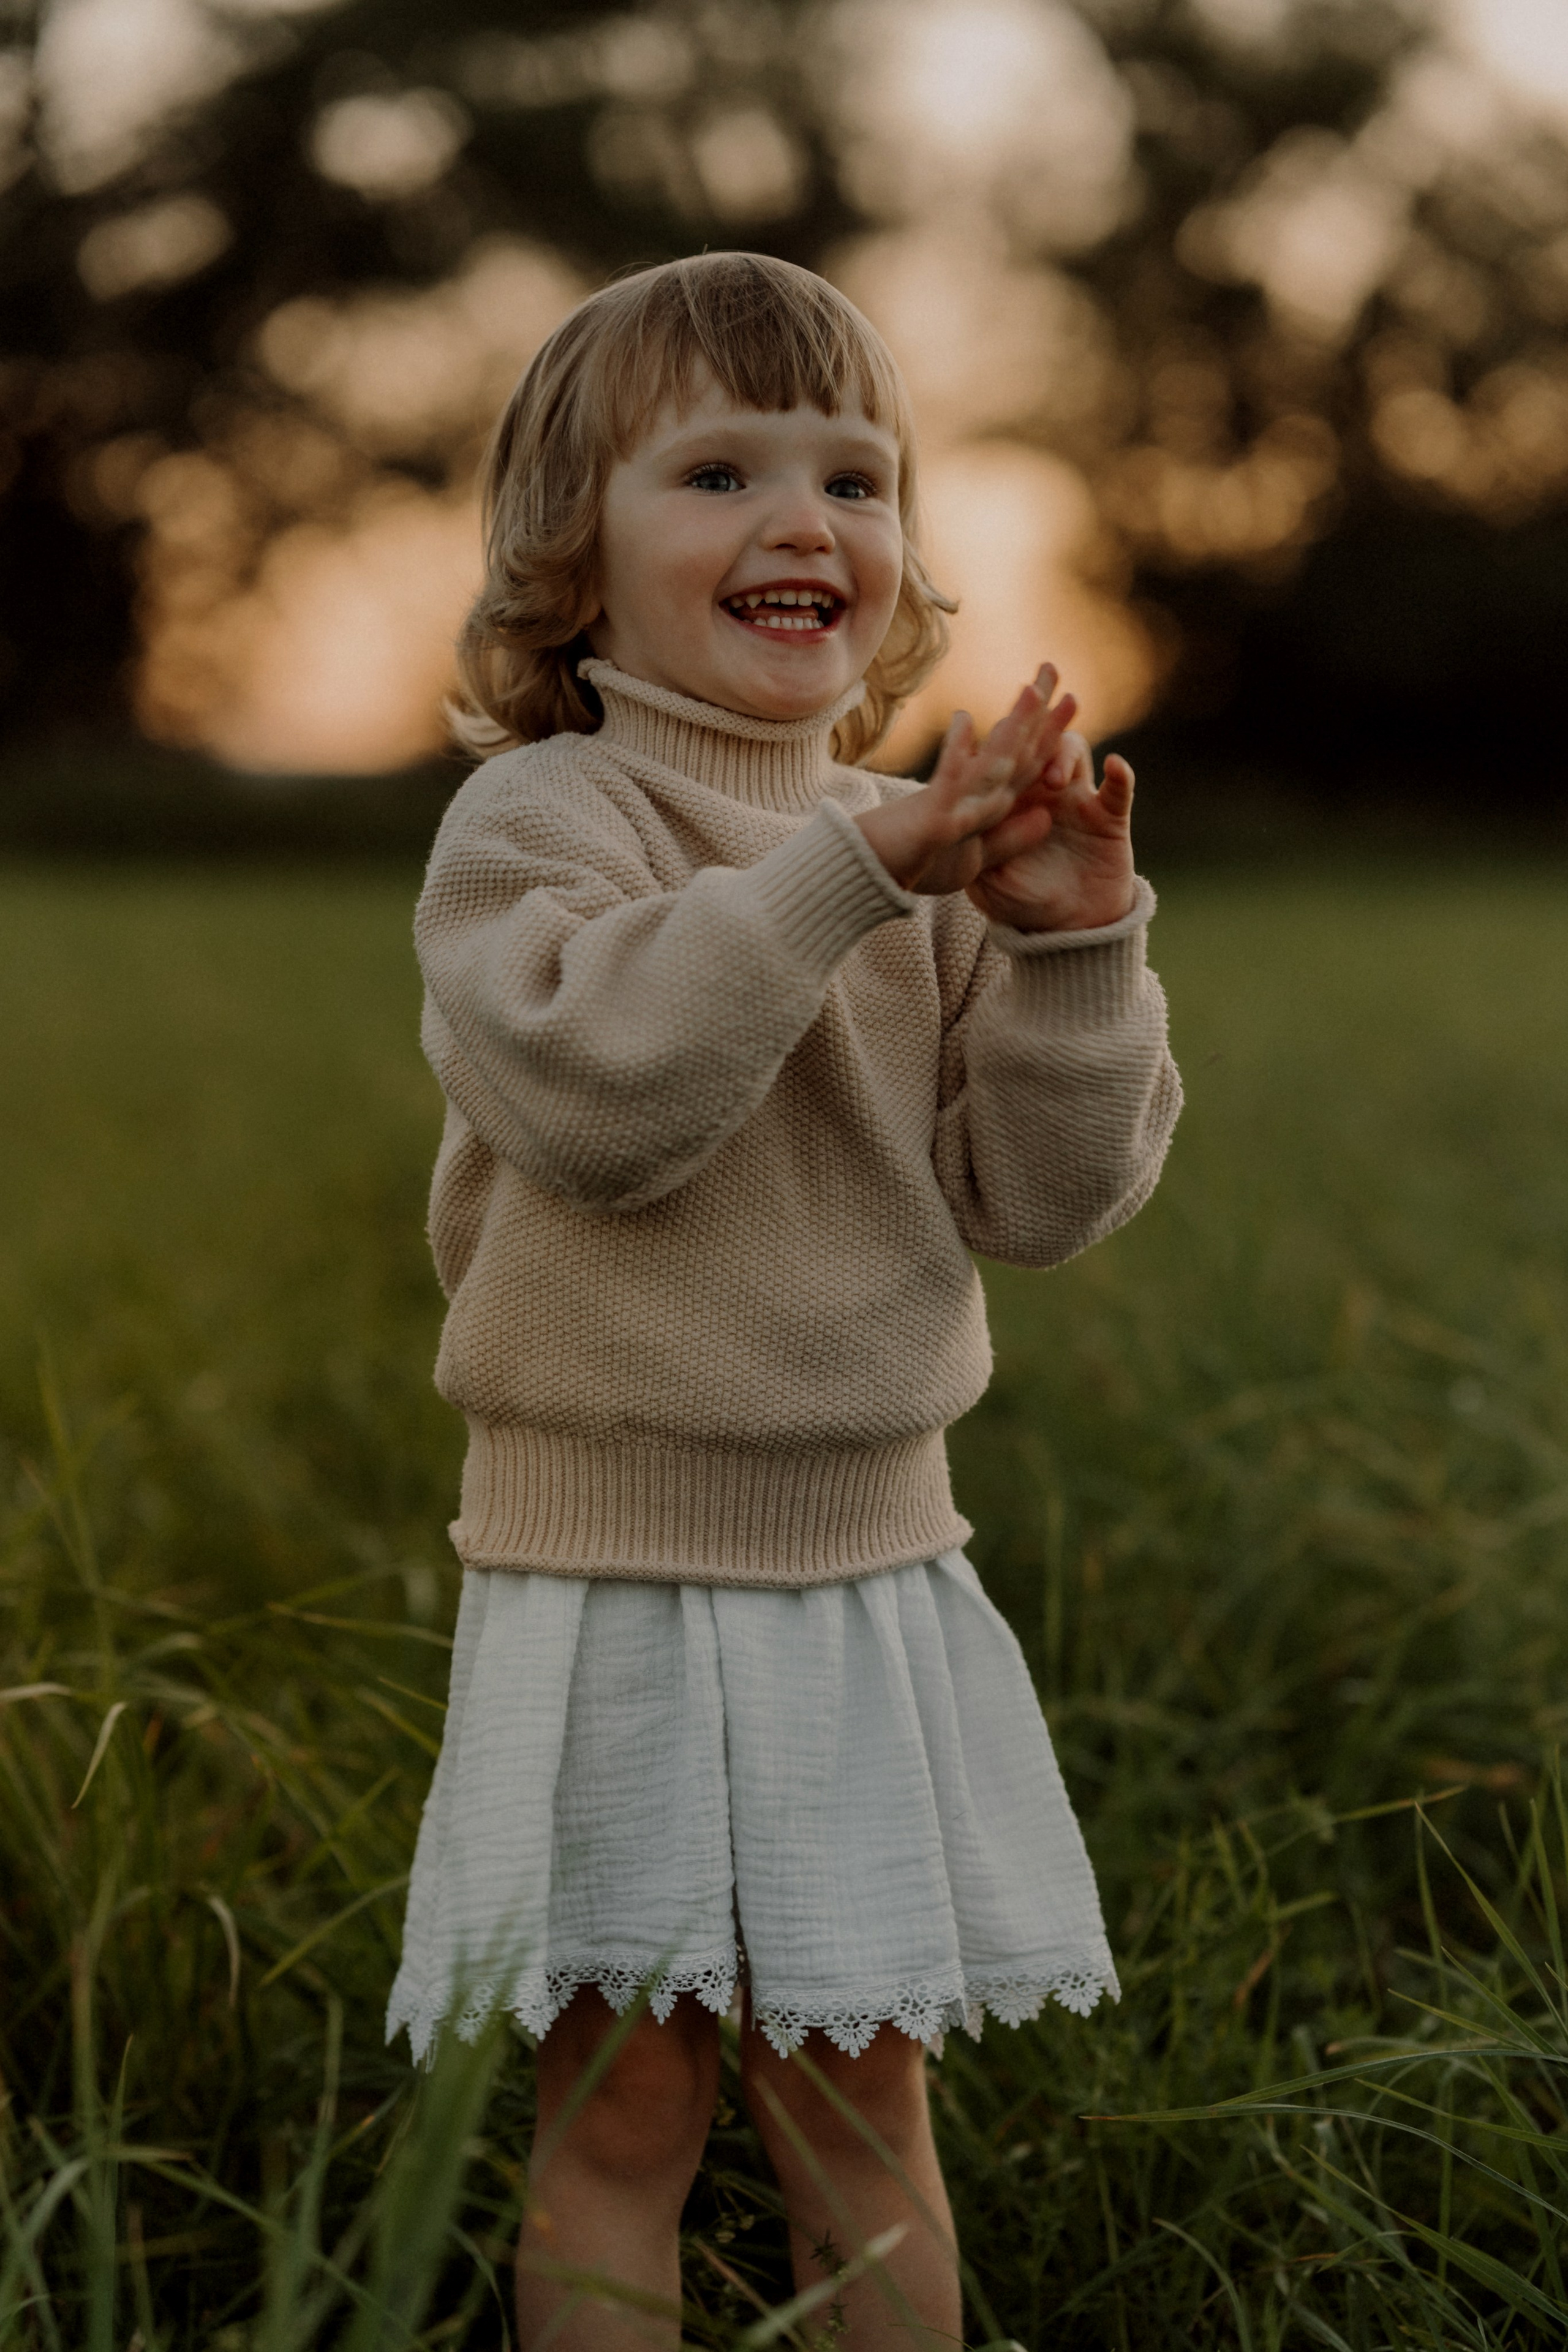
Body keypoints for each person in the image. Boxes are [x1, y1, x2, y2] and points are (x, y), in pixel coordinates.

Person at [387, 252, 1182, 2350]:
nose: (803, 519)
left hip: (864, 1569)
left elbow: (1043, 1200)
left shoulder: (915, 851)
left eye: (854, 475)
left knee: (859, 2104)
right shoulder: (539, 823)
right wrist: (856, 873)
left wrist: (1073, 948)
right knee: (626, 2105)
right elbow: (601, 1101)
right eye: (719, 471)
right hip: (611, 1568)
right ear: (570, 560)